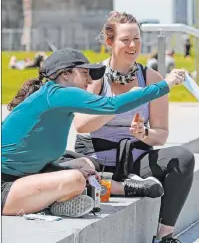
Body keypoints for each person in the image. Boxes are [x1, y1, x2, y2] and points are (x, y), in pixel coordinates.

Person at [1, 47, 185, 219]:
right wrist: (164, 85)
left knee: (82, 164)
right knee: (75, 179)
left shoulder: (56, 104)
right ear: (65, 74)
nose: (89, 81)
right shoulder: (56, 93)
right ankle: (56, 202)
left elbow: (35, 161)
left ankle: (56, 201)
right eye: (84, 73)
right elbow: (112, 105)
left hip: (23, 180)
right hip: (4, 188)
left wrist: (70, 167)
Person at [72, 11, 195, 243]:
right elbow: (82, 125)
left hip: (134, 159)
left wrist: (144, 133)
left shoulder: (152, 79)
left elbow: (161, 135)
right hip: (95, 158)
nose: (132, 46)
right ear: (110, 42)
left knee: (182, 158)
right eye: (125, 40)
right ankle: (114, 185)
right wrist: (122, 103)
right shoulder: (94, 77)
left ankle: (164, 238)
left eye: (137, 39)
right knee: (71, 170)